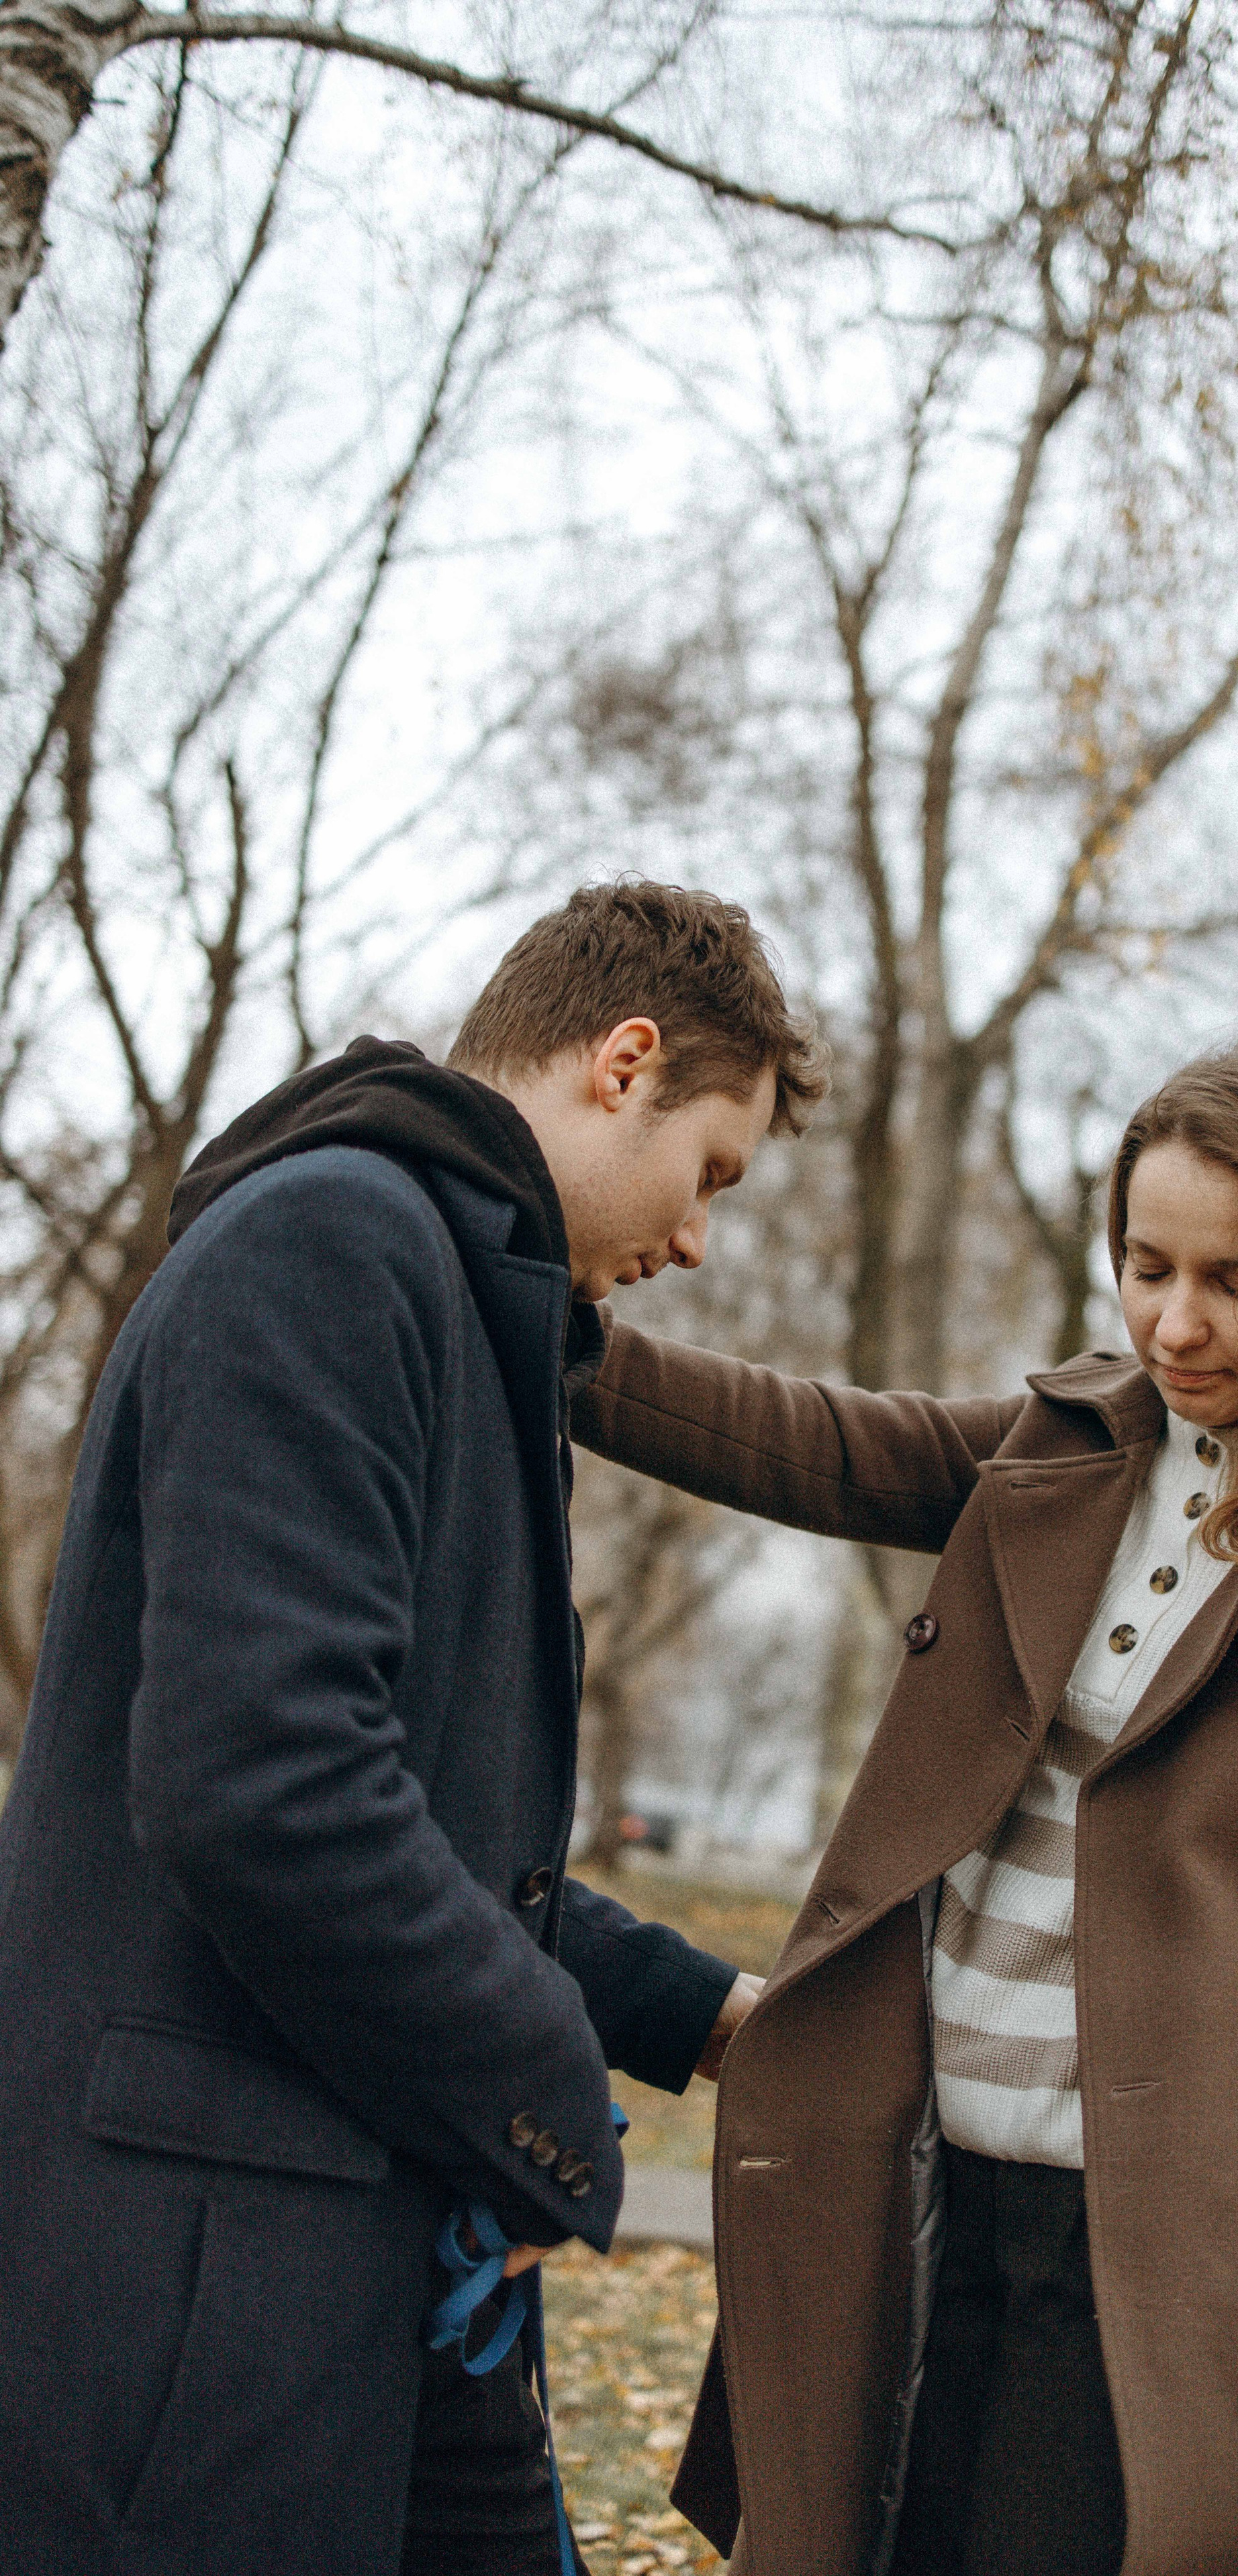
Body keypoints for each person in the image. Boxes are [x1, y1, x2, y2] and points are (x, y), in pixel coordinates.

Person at [566, 1049, 1238, 2576]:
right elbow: (811, 1440)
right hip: (919, 2197)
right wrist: (532, 1311)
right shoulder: (1068, 1448)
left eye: (1233, 1282)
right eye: (1146, 1266)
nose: (1175, 1324)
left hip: (1171, 2271)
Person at [0, 880, 824, 2576]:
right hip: (214, 2287)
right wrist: (543, 2090)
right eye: (710, 1172)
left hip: (371, 2255)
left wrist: (698, 2011)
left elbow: (432, 1823)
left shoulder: (448, 1289)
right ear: (623, 1061)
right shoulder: (333, 1241)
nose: (694, 1238)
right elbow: (265, 1783)